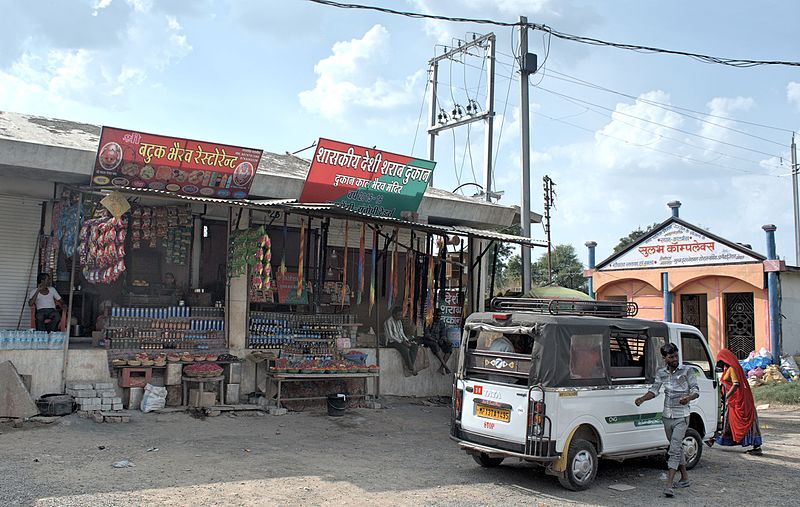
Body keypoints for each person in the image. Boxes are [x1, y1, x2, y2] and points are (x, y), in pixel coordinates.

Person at [635, 342, 699, 498]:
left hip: (682, 416)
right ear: (664, 358)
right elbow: (654, 390)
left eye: (676, 356)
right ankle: (684, 478)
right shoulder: (661, 373)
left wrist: (688, 398)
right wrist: (642, 399)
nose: (675, 359)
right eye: (671, 357)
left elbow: (696, 390)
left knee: (674, 449)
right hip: (667, 416)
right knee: (675, 447)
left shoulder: (687, 371)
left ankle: (669, 485)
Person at [714, 348, 763, 454]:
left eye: (720, 361)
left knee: (743, 422)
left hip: (738, 401)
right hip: (734, 401)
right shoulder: (729, 368)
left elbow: (736, 384)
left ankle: (756, 446)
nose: (719, 364)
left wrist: (727, 396)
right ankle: (716, 439)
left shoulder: (732, 369)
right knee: (730, 421)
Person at [384, 306, 418, 376]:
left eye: (401, 315)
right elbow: (391, 336)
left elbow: (401, 333)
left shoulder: (399, 321)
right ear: (394, 315)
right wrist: (402, 342)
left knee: (414, 346)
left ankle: (410, 365)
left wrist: (406, 340)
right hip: (391, 342)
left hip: (400, 341)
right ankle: (411, 367)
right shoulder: (388, 322)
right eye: (399, 315)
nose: (400, 317)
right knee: (405, 349)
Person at [420, 310, 453, 375]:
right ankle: (445, 366)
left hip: (438, 340)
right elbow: (427, 335)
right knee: (435, 345)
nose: (438, 317)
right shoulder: (428, 322)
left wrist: (446, 341)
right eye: (437, 315)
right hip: (429, 340)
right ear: (433, 315)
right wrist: (435, 340)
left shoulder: (441, 323)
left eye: (440, 316)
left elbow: (443, 334)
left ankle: (441, 368)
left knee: (449, 347)